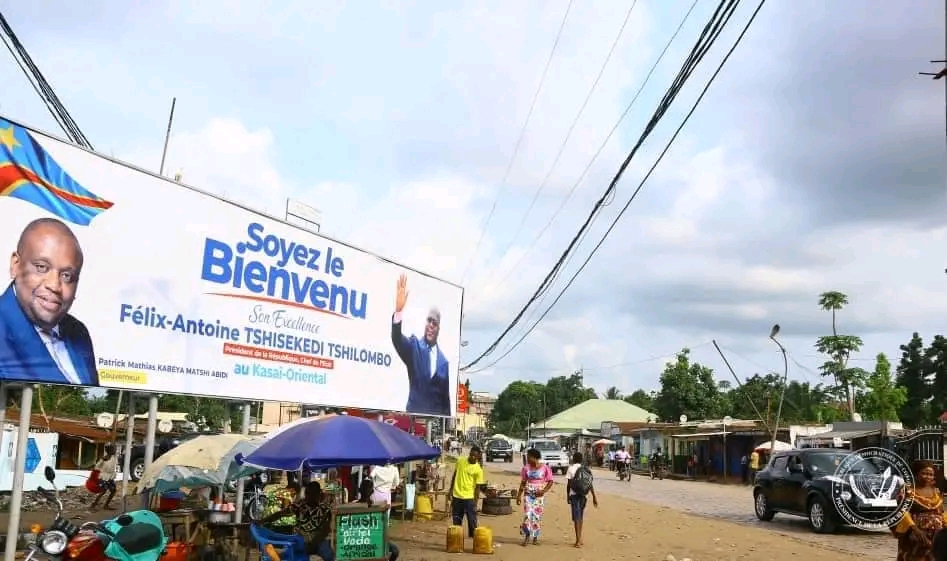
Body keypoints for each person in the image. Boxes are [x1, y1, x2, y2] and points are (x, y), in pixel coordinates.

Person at [0, 218, 98, 385]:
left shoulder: (79, 332)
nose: (54, 285)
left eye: (67, 276)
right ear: (15, 265)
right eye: (41, 267)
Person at [390, 274, 450, 416]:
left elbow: (445, 400)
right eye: (428, 321)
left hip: (434, 423)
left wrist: (446, 423)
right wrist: (398, 312)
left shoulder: (444, 362)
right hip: (412, 418)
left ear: (438, 328)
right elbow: (397, 339)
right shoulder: (414, 346)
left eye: (434, 323)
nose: (430, 325)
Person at [261, 481, 333, 559]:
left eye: (313, 494)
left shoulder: (325, 509)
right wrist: (262, 521)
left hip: (319, 541)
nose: (309, 496)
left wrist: (313, 544)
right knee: (287, 555)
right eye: (308, 493)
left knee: (328, 555)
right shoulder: (299, 505)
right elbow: (280, 514)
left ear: (318, 494)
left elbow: (325, 531)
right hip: (301, 540)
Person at [892, 460, 945, 561]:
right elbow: (902, 511)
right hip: (915, 534)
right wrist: (916, 530)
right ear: (916, 474)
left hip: (936, 534)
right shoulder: (907, 491)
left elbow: (941, 512)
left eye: (931, 474)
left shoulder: (936, 492)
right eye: (924, 473)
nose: (928, 476)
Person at [516, 448, 554, 546]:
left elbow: (550, 481)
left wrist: (544, 490)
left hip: (539, 495)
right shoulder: (525, 468)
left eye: (529, 457)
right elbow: (523, 482)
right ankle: (527, 536)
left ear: (535, 457)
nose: (527, 459)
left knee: (536, 516)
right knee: (528, 515)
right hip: (528, 494)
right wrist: (518, 496)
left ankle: (535, 538)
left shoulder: (545, 468)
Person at [450, 445, 485, 538]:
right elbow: (454, 475)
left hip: (469, 497)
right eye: (471, 455)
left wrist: (475, 503)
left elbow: (477, 488)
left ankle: (473, 537)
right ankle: (457, 537)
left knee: (472, 519)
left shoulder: (478, 470)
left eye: (475, 456)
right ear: (469, 454)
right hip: (457, 495)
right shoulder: (460, 461)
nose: (472, 457)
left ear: (478, 457)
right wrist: (450, 490)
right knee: (456, 519)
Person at [566, 452, 598, 548]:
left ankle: (578, 540)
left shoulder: (571, 469)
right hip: (584, 495)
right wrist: (594, 497)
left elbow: (569, 484)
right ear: (581, 460)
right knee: (581, 516)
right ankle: (580, 538)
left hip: (574, 495)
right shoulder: (586, 469)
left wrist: (567, 496)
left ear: (574, 459)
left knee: (576, 517)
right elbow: (590, 484)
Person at [90, 444, 116, 510]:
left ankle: (106, 505)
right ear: (109, 450)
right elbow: (96, 467)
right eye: (113, 449)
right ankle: (93, 505)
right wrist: (101, 471)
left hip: (110, 477)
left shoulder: (113, 457)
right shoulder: (103, 459)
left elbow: (113, 468)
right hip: (103, 477)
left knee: (113, 491)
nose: (115, 450)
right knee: (103, 491)